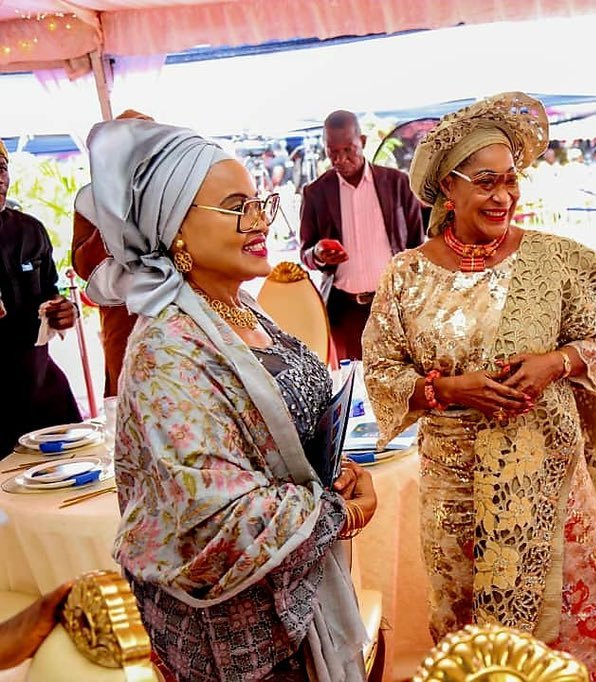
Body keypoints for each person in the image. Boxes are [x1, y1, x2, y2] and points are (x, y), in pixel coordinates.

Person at [361, 92, 596, 681]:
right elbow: (382, 374)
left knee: (559, 645)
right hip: (454, 492)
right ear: (450, 188)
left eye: (511, 181)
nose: (504, 197)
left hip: (548, 482)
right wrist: (448, 389)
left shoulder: (551, 260)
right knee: (474, 648)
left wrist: (557, 362)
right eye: (487, 182)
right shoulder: (406, 275)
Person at [76, 119, 377, 682]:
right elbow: (215, 516)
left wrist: (339, 473)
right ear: (175, 228)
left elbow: (289, 433)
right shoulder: (167, 348)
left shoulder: (240, 309)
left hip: (291, 601)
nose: (260, 220)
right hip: (239, 637)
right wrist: (340, 511)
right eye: (237, 207)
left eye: (260, 202)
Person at [299, 110, 424, 360]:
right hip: (344, 311)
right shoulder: (315, 193)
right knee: (354, 382)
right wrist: (319, 254)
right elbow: (306, 253)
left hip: (394, 305)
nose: (341, 159)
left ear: (363, 142)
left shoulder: (398, 184)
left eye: (349, 149)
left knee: (399, 375)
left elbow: (417, 248)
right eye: (332, 151)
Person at [0, 139, 81, 455]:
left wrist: (64, 311)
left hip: (40, 384)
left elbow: (50, 291)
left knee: (74, 470)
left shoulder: (30, 230)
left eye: (2, 168)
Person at [71, 109, 152, 397]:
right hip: (123, 317)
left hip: (178, 312)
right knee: (130, 398)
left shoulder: (176, 192)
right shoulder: (91, 199)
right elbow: (84, 265)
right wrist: (113, 204)